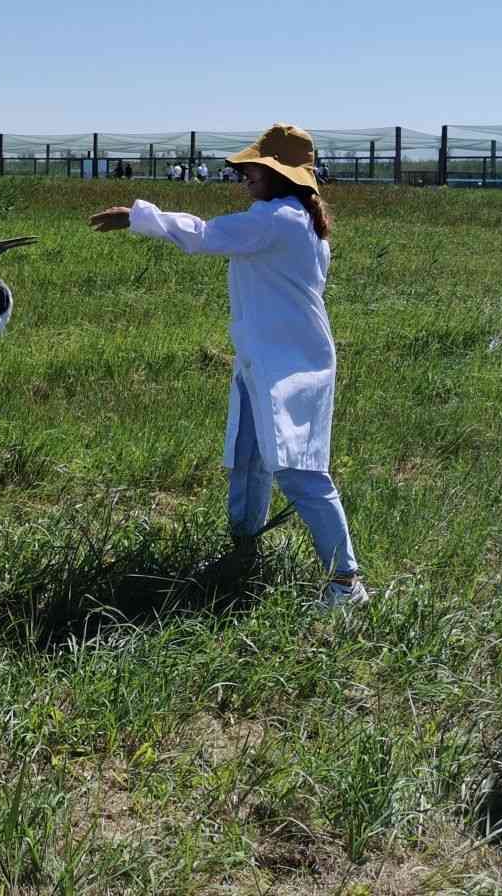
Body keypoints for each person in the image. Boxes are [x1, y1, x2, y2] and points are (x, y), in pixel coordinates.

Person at [90, 122, 367, 609]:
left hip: (290, 361)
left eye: (255, 168)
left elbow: (204, 234)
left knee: (298, 470)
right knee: (248, 457)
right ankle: (244, 549)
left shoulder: (278, 219)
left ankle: (346, 583)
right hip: (265, 356)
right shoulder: (293, 219)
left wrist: (139, 217)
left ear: (281, 175)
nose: (244, 176)